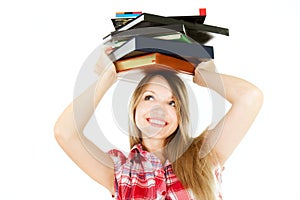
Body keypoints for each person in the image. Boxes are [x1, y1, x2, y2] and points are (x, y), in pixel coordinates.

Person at [54, 46, 263, 199]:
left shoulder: (204, 155)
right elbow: (65, 132)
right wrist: (107, 77)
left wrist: (205, 77)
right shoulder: (121, 172)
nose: (159, 110)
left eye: (172, 102)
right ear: (134, 107)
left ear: (180, 115)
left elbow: (250, 98)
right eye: (149, 97)